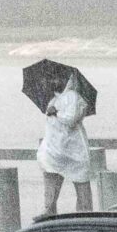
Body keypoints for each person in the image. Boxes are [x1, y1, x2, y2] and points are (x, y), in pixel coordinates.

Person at [36, 78, 92, 216]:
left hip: (74, 151)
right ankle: (49, 212)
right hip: (55, 150)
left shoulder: (73, 96)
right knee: (50, 180)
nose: (53, 81)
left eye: (57, 79)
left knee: (81, 186)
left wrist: (56, 112)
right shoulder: (54, 98)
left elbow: (71, 119)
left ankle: (85, 216)